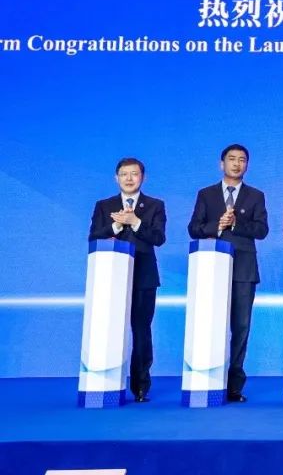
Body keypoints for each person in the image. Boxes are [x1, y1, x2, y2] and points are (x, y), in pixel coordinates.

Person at [187, 144, 269, 403]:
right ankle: (209, 379)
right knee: (210, 324)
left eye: (242, 160)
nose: (236, 164)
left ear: (247, 165)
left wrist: (236, 223)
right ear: (221, 164)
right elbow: (194, 228)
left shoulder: (256, 195)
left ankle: (234, 385)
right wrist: (217, 226)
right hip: (211, 268)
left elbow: (262, 230)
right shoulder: (206, 194)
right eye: (232, 159)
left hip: (244, 269)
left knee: (241, 327)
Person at [88, 157, 166, 403]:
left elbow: (158, 238)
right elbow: (93, 237)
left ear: (143, 177)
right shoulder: (104, 206)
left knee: (141, 331)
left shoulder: (154, 205)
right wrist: (115, 226)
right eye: (124, 174)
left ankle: (140, 386)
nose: (129, 178)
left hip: (144, 278)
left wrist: (135, 222)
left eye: (134, 174)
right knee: (109, 329)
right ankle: (108, 384)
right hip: (111, 278)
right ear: (116, 178)